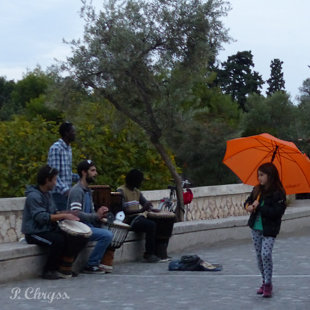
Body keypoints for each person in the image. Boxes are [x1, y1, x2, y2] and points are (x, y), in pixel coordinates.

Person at [21, 165, 89, 280]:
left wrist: (68, 213)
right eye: (55, 180)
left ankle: (65, 267)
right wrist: (63, 215)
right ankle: (49, 270)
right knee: (58, 241)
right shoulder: (34, 196)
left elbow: (53, 212)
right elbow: (41, 218)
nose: (56, 183)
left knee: (78, 237)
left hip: (47, 229)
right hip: (34, 232)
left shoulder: (47, 194)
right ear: (48, 180)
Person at [244, 162, 286, 298]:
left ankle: (268, 283)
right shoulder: (257, 190)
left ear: (270, 175)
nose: (259, 178)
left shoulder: (278, 193)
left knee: (266, 254)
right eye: (258, 175)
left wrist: (259, 207)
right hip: (256, 228)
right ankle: (264, 281)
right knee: (259, 257)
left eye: (262, 175)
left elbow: (277, 212)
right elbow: (247, 202)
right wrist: (249, 207)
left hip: (269, 229)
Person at [117, 169, 174, 263]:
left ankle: (160, 252)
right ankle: (149, 254)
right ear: (134, 180)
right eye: (140, 180)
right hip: (128, 220)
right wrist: (141, 210)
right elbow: (122, 211)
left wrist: (152, 209)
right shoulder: (121, 191)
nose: (141, 183)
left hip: (137, 218)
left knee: (159, 223)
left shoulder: (137, 192)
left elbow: (144, 203)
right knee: (150, 225)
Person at [67, 160, 113, 273]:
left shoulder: (88, 191)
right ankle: (92, 264)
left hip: (87, 226)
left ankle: (105, 262)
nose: (95, 173)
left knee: (109, 229)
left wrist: (100, 214)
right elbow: (75, 213)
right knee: (106, 235)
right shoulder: (77, 191)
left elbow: (91, 212)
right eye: (92, 170)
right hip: (79, 227)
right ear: (84, 172)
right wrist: (95, 216)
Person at [48, 122, 79, 210]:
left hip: (67, 194)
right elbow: (54, 174)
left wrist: (82, 177)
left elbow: (66, 174)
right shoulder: (56, 148)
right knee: (63, 221)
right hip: (58, 194)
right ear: (66, 133)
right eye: (73, 131)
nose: (74, 134)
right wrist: (65, 190)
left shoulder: (68, 149)